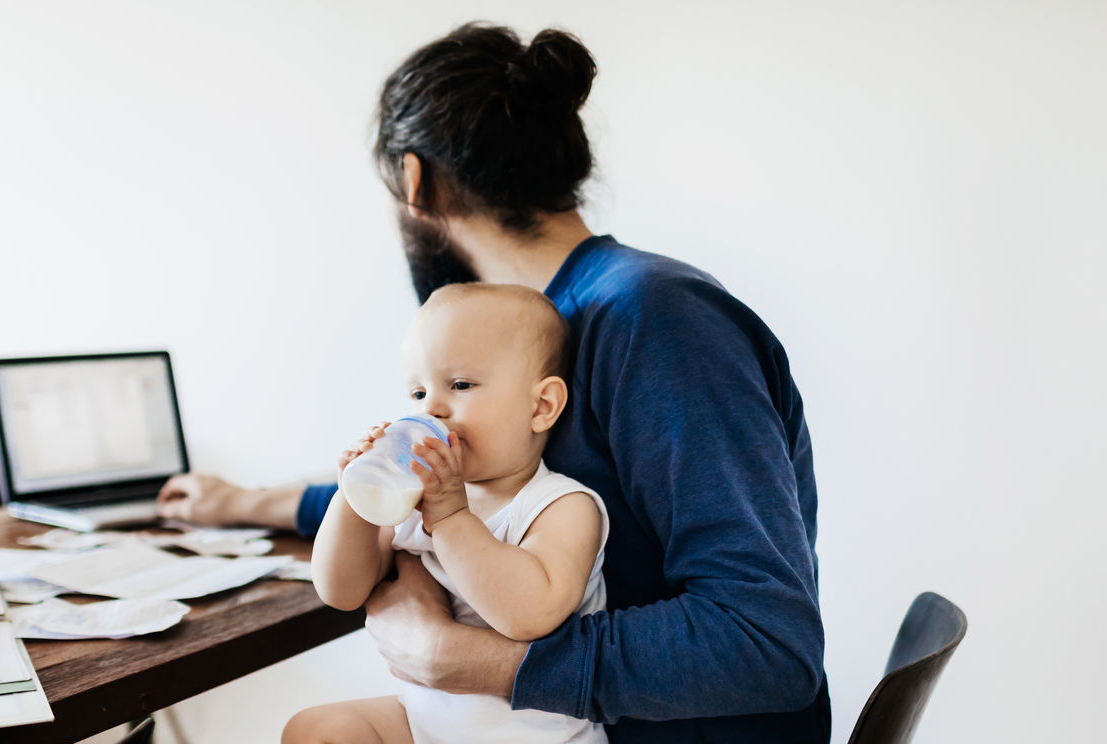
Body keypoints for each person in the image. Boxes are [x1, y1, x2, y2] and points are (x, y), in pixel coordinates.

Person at [159, 23, 829, 743]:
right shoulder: (545, 335)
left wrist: (474, 660)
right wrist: (246, 501)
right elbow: (447, 483)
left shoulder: (655, 320)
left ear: (416, 182)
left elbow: (767, 646)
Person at [284, 284, 609, 744]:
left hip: (535, 736)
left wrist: (453, 517)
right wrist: (354, 497)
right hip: (426, 725)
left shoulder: (560, 506)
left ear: (541, 406)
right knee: (318, 730)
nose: (431, 408)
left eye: (460, 385)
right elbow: (341, 589)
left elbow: (529, 615)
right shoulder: (413, 500)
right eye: (417, 393)